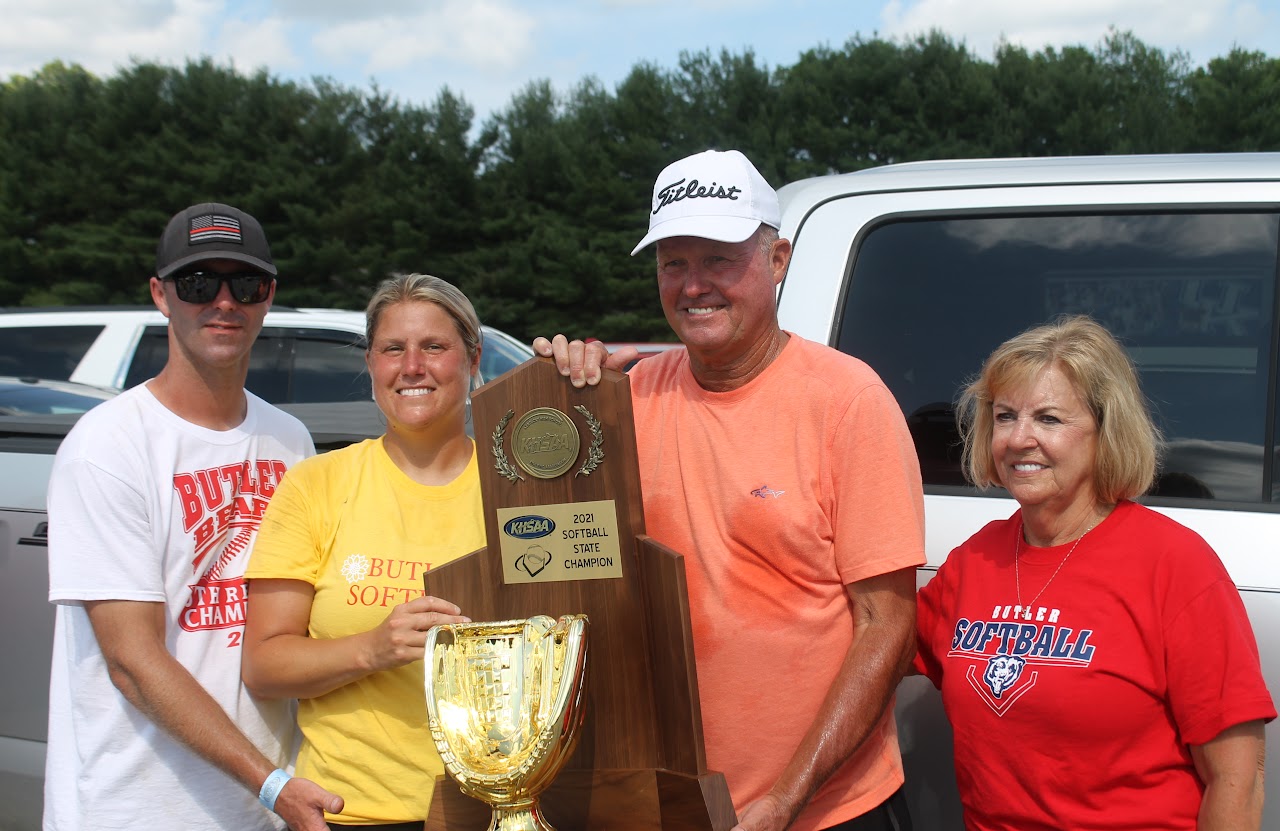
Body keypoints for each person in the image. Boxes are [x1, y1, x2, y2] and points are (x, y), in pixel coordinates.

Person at [535, 149, 926, 831]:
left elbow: (886, 628)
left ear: (778, 259)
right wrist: (552, 401)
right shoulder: (622, 403)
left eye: (718, 259)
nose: (693, 285)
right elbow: (553, 563)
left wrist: (785, 799)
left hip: (827, 808)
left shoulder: (848, 401)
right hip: (670, 808)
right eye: (673, 263)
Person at [45, 203, 344, 830]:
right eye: (198, 282)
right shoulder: (108, 446)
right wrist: (270, 784)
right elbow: (132, 661)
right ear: (161, 294)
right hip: (138, 809)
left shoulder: (290, 439)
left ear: (269, 297)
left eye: (246, 283)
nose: (224, 302)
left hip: (266, 809)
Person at [914, 315, 1276, 830]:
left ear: (1106, 431)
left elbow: (1237, 784)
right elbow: (872, 643)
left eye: (1049, 419)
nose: (1020, 438)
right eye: (1005, 416)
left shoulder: (1174, 565)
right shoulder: (975, 560)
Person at [242, 273, 483, 829]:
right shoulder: (315, 485)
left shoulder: (519, 487)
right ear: (372, 363)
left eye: (434, 347)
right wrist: (374, 648)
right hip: (352, 812)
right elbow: (263, 664)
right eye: (393, 349)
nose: (412, 366)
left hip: (502, 809)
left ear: (472, 360)